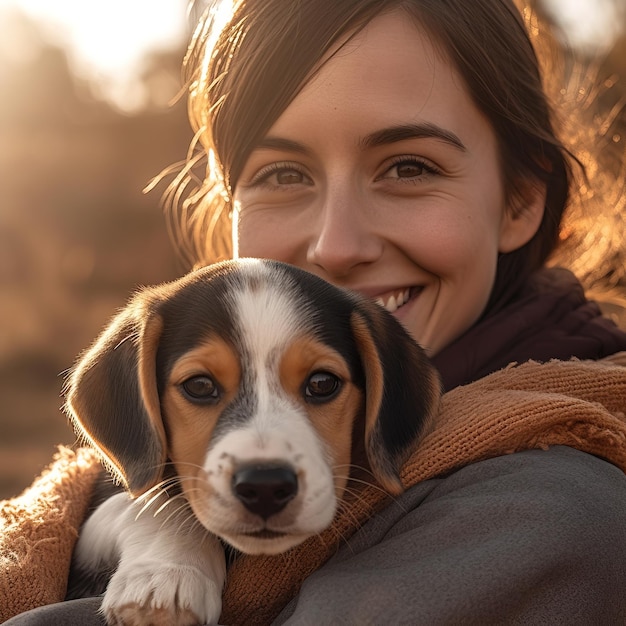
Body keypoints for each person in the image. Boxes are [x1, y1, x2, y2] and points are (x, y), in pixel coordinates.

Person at [6, 0, 626, 623]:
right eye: (281, 173)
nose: (337, 245)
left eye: (409, 166)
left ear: (521, 201)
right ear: (230, 206)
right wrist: (168, 533)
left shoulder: (554, 511)